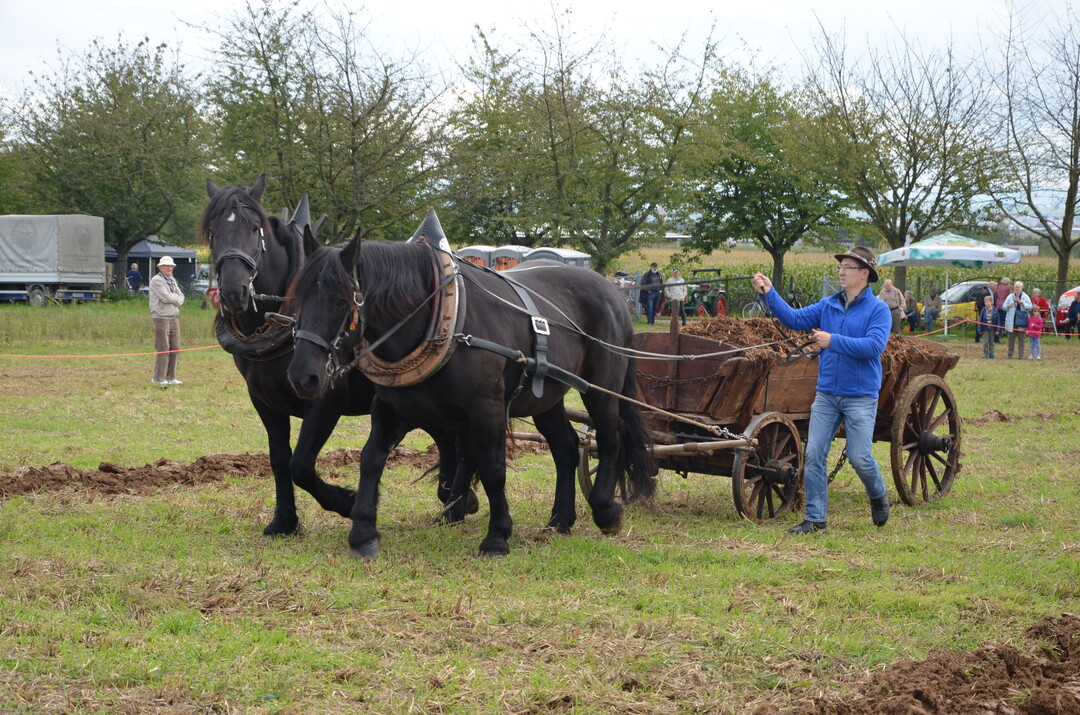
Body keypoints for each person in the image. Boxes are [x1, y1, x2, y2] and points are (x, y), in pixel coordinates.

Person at [751, 245, 891, 534]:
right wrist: (769, 292)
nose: (841, 271)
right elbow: (794, 319)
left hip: (861, 395)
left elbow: (874, 347)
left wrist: (833, 340)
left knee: (859, 457)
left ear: (864, 274)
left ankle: (878, 495)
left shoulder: (878, 310)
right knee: (814, 453)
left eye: (848, 267)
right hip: (827, 393)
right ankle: (815, 518)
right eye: (841, 266)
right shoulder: (828, 305)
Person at [149, 256, 185, 386]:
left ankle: (171, 377)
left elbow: (181, 297)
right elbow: (165, 297)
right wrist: (176, 299)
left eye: (171, 266)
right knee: (163, 348)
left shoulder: (171, 280)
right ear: (160, 267)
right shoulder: (156, 281)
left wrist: (175, 298)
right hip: (161, 318)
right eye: (167, 266)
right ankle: (158, 378)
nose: (170, 268)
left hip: (174, 317)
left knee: (175, 348)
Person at [1002, 280, 1033, 360]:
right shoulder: (1010, 296)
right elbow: (1003, 307)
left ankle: (1021, 355)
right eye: (1016, 287)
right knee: (1011, 338)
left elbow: (1030, 306)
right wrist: (1009, 305)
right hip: (1012, 321)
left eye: (1018, 287)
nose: (1017, 288)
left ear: (1021, 288)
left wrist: (1023, 304)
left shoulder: (1025, 296)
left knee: (1021, 339)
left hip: (1021, 320)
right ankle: (1010, 354)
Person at [978, 295, 998, 359]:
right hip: (985, 328)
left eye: (987, 302)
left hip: (992, 329)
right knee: (985, 341)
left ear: (991, 302)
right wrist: (980, 329)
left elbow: (998, 320)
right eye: (985, 302)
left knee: (991, 341)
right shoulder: (983, 310)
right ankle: (985, 353)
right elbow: (980, 320)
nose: (986, 303)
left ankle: (991, 353)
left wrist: (998, 329)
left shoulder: (995, 310)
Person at [995, 277, 1012, 341]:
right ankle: (999, 336)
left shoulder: (999, 286)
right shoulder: (1008, 288)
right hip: (1004, 305)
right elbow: (1010, 295)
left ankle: (996, 335)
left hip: (998, 304)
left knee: (998, 320)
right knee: (1002, 321)